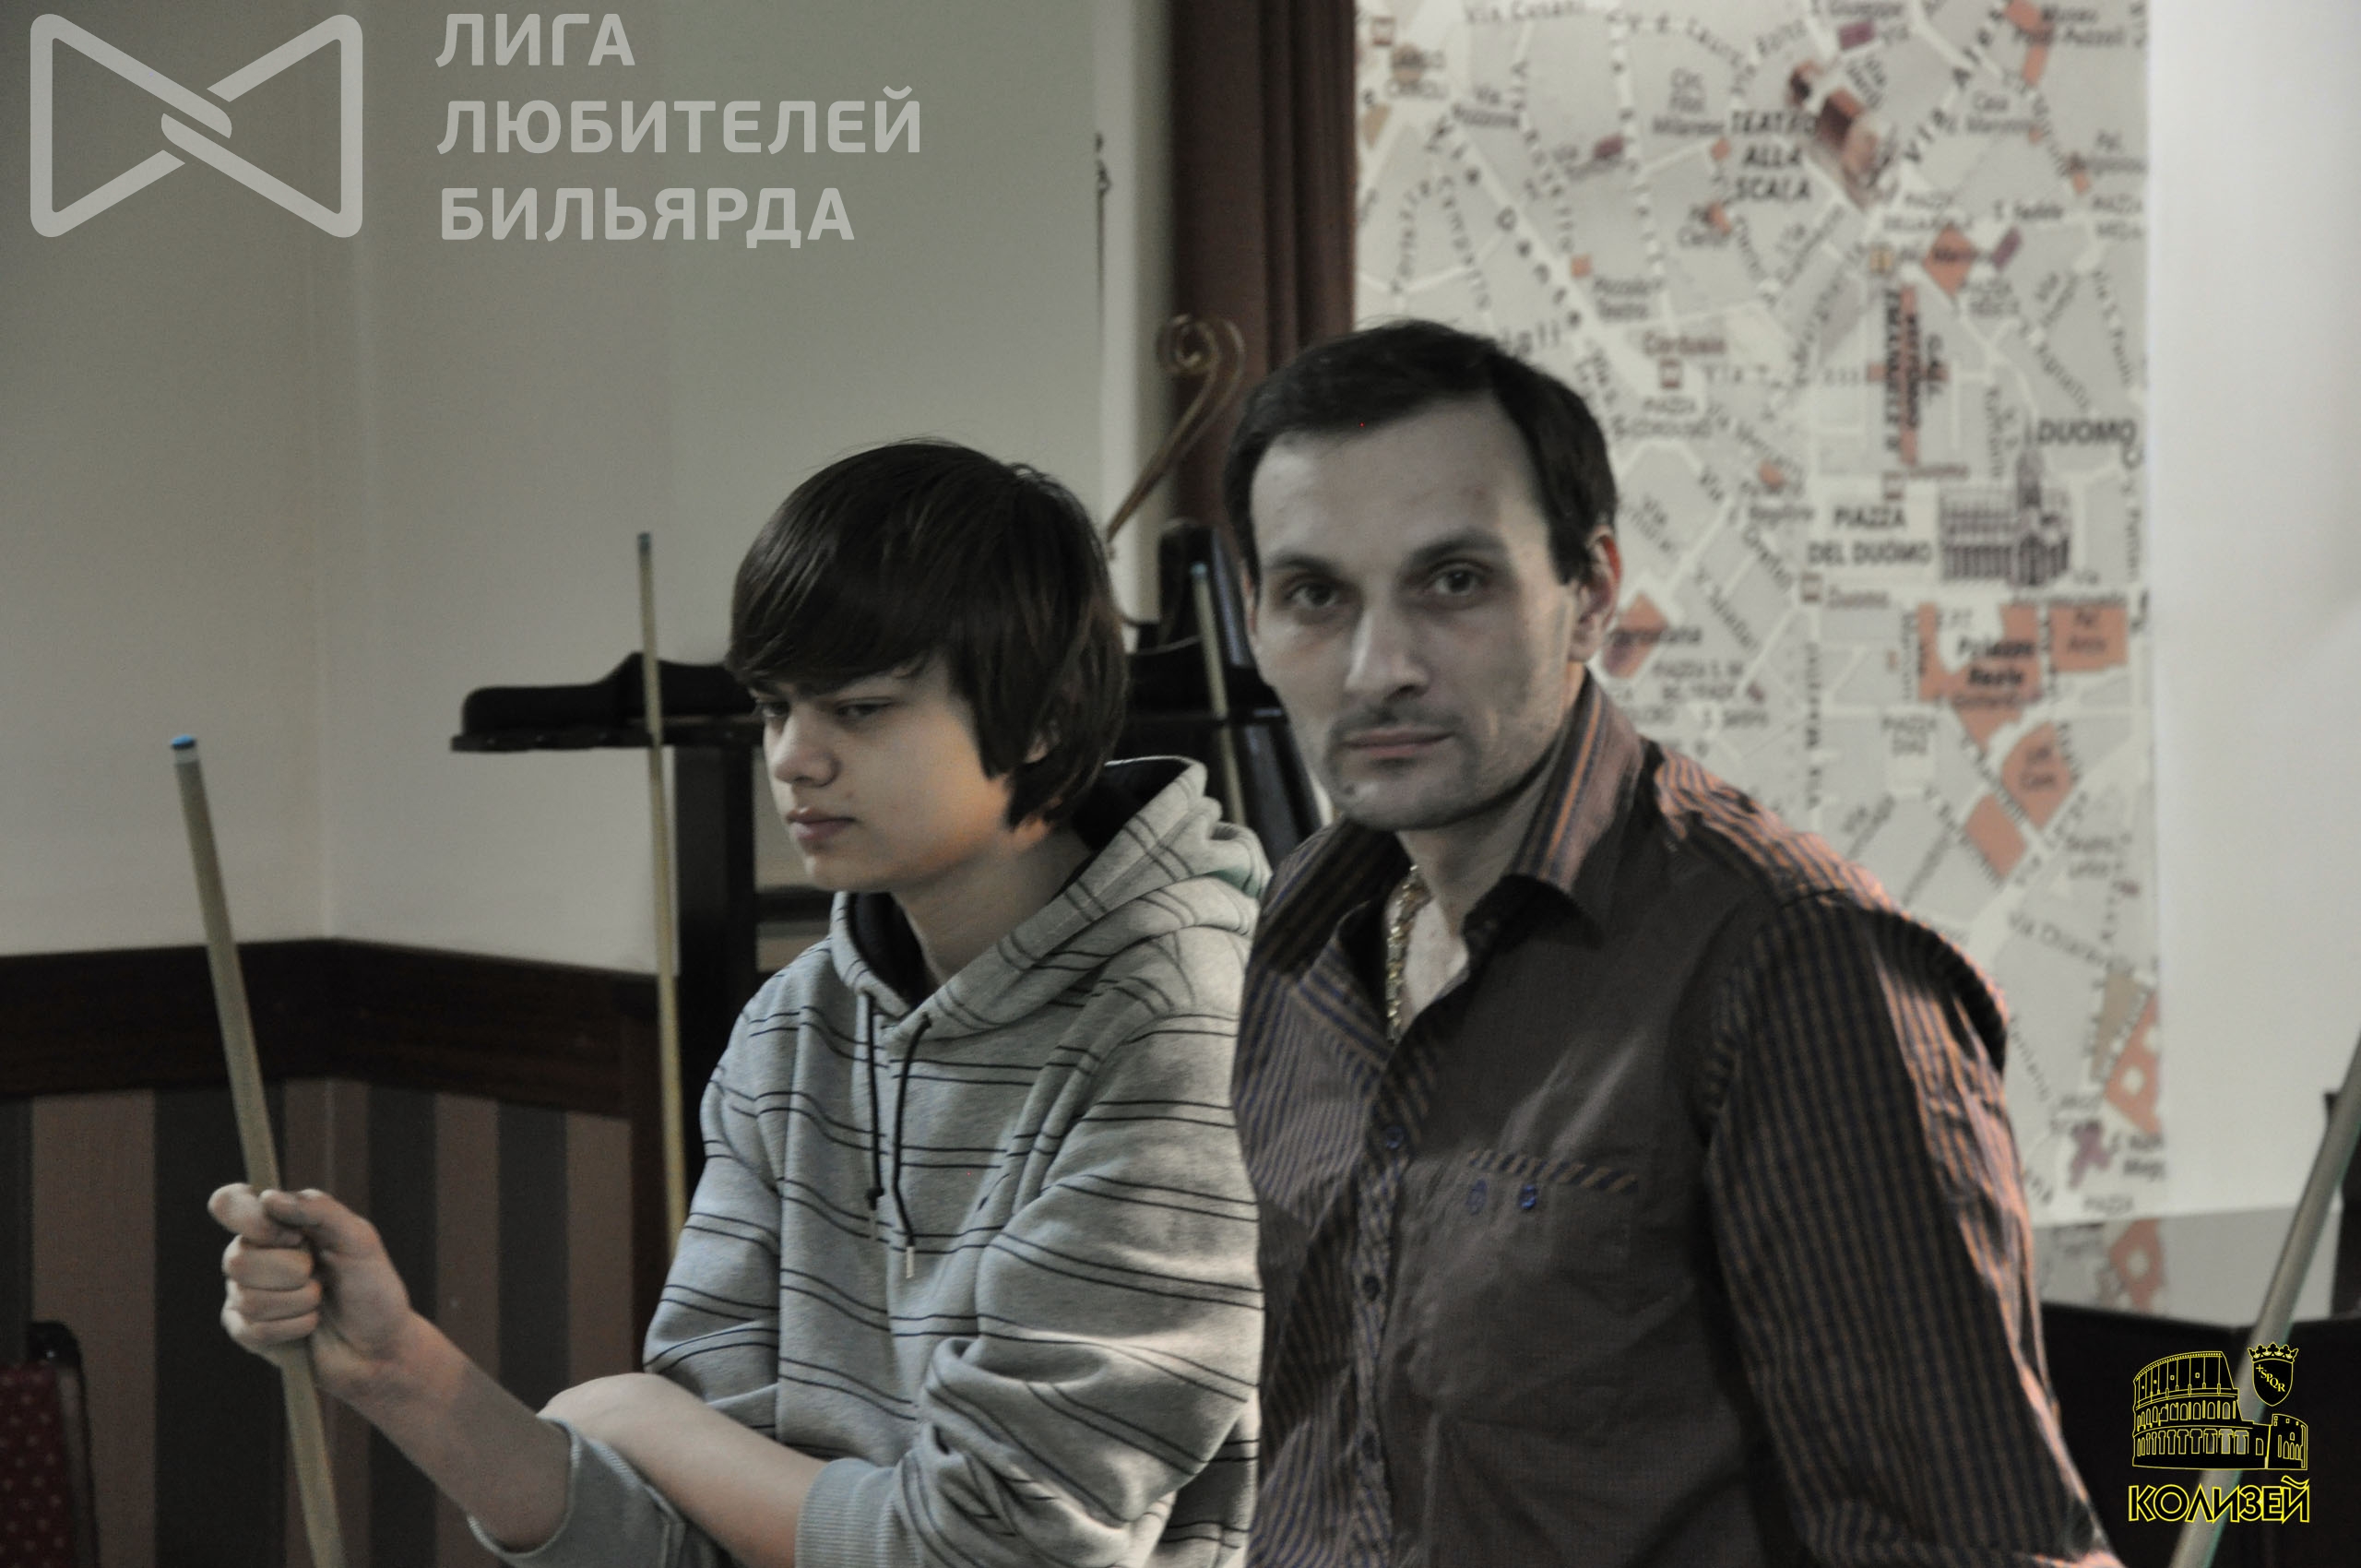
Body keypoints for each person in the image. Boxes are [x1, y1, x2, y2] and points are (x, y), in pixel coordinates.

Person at [211, 440, 1268, 1568]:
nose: (793, 758)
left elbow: (998, 1550)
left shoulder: (1182, 1020)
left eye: (859, 708)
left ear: (1044, 717)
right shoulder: (796, 1024)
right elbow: (697, 1534)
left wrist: (643, 1416)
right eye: (775, 707)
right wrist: (406, 1371)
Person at [1220, 320, 2117, 1566]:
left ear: (1590, 594)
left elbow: (1967, 1546)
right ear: (1256, 620)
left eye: (1455, 581)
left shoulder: (1795, 964)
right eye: (1316, 595)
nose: (1379, 667)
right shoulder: (1301, 933)